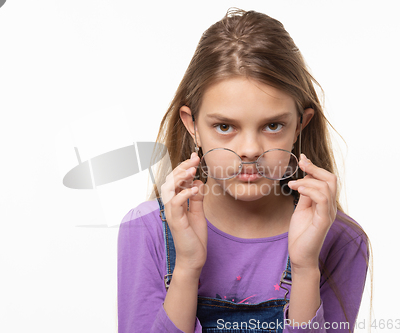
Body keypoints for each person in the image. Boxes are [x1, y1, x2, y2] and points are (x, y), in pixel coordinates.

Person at [117, 8, 370, 333]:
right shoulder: (146, 231)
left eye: (273, 125)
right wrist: (186, 269)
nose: (250, 149)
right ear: (192, 125)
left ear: (299, 126)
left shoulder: (341, 240)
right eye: (224, 126)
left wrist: (306, 269)